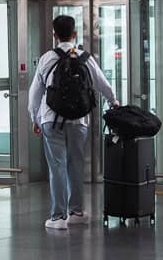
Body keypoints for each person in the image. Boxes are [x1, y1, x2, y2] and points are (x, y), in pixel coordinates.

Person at [28, 15, 119, 230]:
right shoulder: (85, 57)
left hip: (51, 119)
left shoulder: (47, 58)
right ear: (75, 33)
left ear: (54, 35)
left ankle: (58, 217)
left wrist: (35, 118)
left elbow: (35, 92)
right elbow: (102, 83)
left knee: (57, 166)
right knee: (76, 165)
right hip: (79, 120)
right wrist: (113, 100)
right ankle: (76, 212)